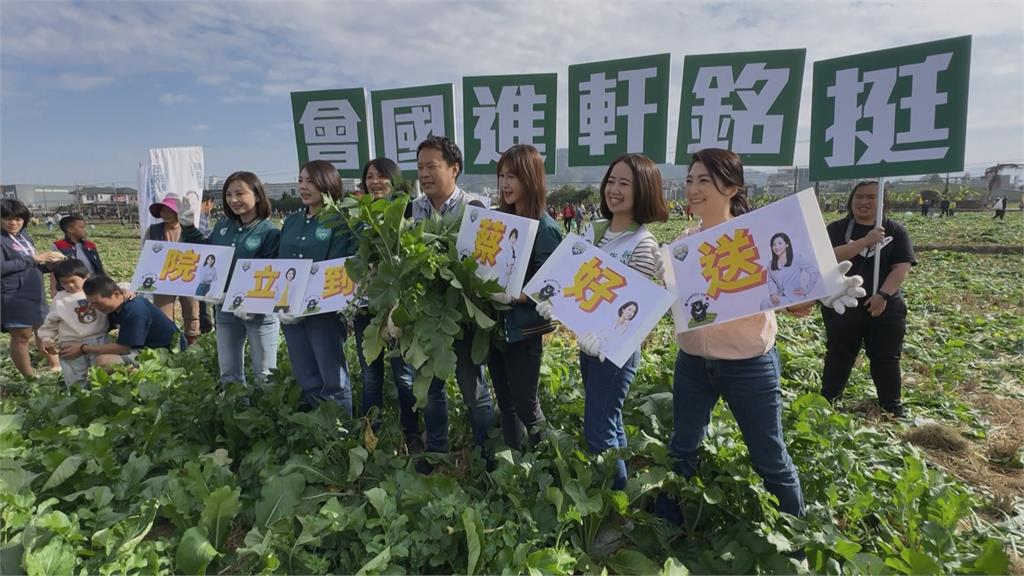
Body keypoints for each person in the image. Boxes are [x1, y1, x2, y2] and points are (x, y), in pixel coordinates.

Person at [661, 148, 814, 519]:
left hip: (749, 365)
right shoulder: (684, 243)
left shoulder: (757, 238)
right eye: (689, 180)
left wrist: (804, 299)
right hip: (693, 364)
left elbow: (792, 295)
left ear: (731, 188)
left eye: (704, 181)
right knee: (682, 447)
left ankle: (797, 537)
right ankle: (666, 525)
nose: (693, 189)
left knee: (769, 456)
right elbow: (677, 302)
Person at [538, 153, 667, 490]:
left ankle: (609, 507)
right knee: (609, 421)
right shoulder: (594, 231)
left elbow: (631, 308)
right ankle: (619, 499)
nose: (614, 189)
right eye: (611, 181)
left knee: (598, 427)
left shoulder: (643, 243)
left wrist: (601, 334)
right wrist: (556, 305)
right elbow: (572, 281)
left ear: (644, 190)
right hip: (590, 344)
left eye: (625, 183)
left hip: (614, 350)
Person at [409, 136, 495, 472]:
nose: (425, 174)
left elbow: (486, 264)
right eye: (420, 168)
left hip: (464, 318)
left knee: (474, 390)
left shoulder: (475, 209)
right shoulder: (411, 211)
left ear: (454, 169)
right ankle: (437, 452)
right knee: (430, 390)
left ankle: (487, 456)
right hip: (425, 318)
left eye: (432, 166)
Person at [487, 144, 563, 451]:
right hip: (495, 326)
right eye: (502, 176)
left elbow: (549, 287)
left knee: (525, 402)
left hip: (524, 331)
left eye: (513, 176)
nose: (505, 184)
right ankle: (514, 460)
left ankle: (547, 457)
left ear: (531, 179)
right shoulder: (500, 224)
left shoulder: (546, 229)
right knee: (504, 399)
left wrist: (513, 296)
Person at [821, 181, 915, 417]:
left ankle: (891, 405)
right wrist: (865, 241)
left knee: (886, 357)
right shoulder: (837, 229)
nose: (864, 202)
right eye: (859, 197)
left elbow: (901, 267)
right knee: (839, 353)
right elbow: (827, 258)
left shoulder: (895, 230)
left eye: (871, 197)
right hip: (844, 302)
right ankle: (828, 401)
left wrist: (883, 295)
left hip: (884, 304)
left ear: (884, 202)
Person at [181, 172, 281, 387]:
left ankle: (269, 417)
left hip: (257, 312)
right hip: (224, 307)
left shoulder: (269, 232)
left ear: (257, 195)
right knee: (228, 372)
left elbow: (271, 273)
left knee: (265, 374)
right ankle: (236, 414)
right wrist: (189, 229)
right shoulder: (223, 227)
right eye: (228, 194)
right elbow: (208, 254)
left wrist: (252, 301)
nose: (233, 200)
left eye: (239, 193)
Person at [277, 160, 355, 412]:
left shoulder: (340, 220)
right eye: (300, 180)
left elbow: (338, 266)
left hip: (324, 312)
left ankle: (341, 433)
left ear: (327, 183)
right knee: (306, 374)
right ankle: (317, 431)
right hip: (291, 311)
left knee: (332, 377)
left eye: (310, 181)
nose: (303, 187)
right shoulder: (290, 222)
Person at [355, 157, 420, 447]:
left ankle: (412, 435)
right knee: (370, 378)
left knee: (404, 376)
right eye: (370, 176)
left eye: (382, 177)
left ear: (394, 181)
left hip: (397, 309)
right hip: (366, 309)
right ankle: (372, 435)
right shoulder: (357, 218)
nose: (375, 182)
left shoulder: (408, 214)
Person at [2, 198, 65, 378]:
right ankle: (29, 376)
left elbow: (31, 263)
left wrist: (48, 265)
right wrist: (34, 259)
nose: (13, 223)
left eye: (18, 219)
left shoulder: (24, 236)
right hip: (14, 294)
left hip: (34, 290)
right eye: (7, 218)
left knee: (44, 330)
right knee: (21, 336)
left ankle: (56, 366)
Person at [66, 275, 182, 368]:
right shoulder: (114, 305)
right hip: (144, 348)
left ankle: (141, 380)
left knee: (104, 361)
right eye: (91, 303)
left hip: (166, 353)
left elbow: (123, 348)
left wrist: (83, 348)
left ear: (116, 294)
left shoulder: (134, 309)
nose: (95, 307)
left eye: (97, 303)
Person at [38, 259, 115, 386]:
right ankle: (79, 399)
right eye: (64, 283)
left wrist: (128, 291)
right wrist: (46, 338)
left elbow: (116, 289)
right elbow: (51, 322)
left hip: (98, 339)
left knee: (103, 373)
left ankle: (102, 397)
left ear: (87, 276)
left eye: (73, 281)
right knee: (74, 377)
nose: (70, 286)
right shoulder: (60, 299)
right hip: (70, 342)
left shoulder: (96, 290)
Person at [146, 196, 200, 344]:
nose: (165, 213)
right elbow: (147, 253)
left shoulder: (189, 230)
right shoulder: (153, 231)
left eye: (170, 210)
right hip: (163, 277)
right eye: (163, 210)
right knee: (163, 314)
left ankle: (191, 340)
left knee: (191, 311)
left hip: (187, 275)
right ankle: (170, 342)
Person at [760, 232, 821, 310]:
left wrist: (807, 289)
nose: (776, 247)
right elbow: (771, 280)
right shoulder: (771, 263)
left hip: (795, 297)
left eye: (779, 243)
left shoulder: (797, 258)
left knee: (766, 304)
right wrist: (773, 294)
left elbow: (814, 272)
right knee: (764, 303)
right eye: (774, 244)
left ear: (787, 244)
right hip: (780, 298)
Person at [52, 214, 105, 294]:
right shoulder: (59, 246)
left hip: (93, 285)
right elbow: (54, 269)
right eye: (82, 227)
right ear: (70, 229)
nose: (85, 230)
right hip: (71, 287)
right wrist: (53, 289)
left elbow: (99, 266)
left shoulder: (90, 245)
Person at [197, 191, 217, 334]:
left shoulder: (200, 216)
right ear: (209, 202)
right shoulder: (200, 217)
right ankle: (205, 325)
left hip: (203, 260)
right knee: (204, 294)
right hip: (202, 260)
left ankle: (205, 323)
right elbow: (203, 237)